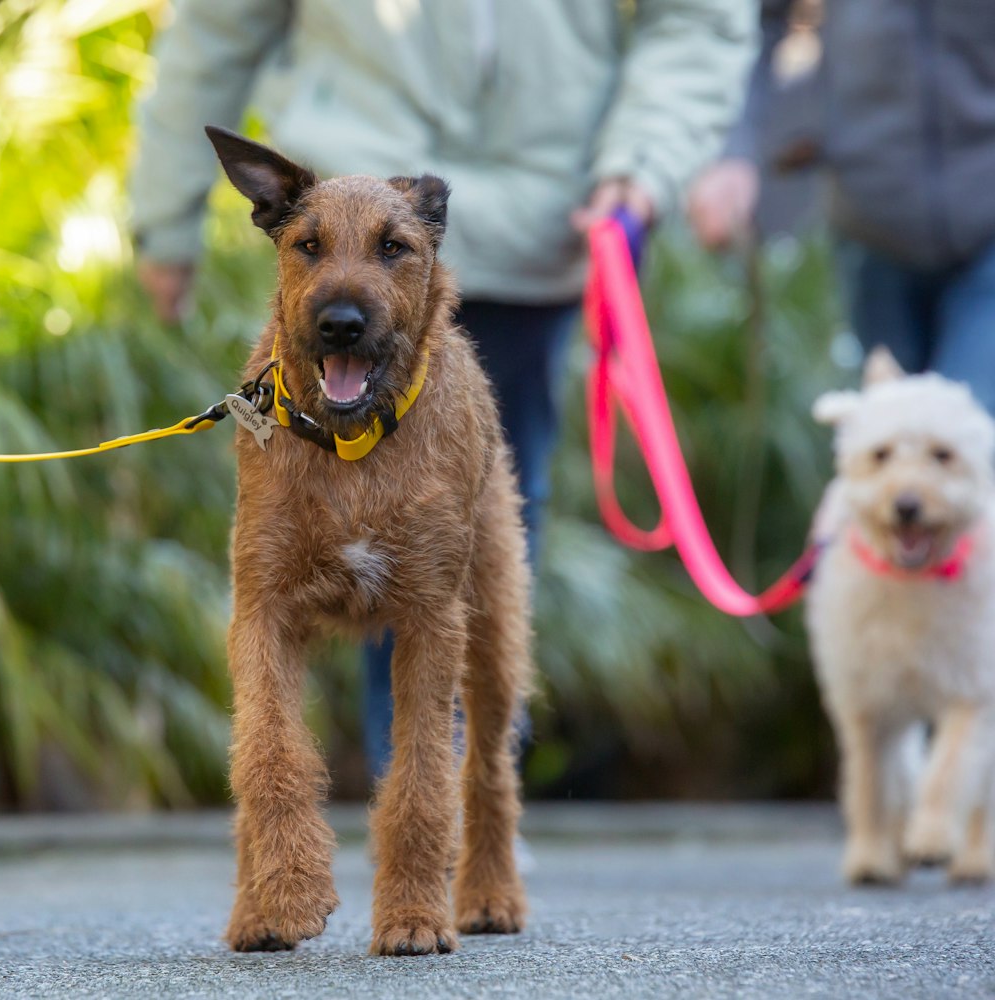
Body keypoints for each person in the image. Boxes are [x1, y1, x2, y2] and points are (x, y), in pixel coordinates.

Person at [132, 1, 755, 780]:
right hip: (346, 185)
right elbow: (219, 23)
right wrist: (165, 210)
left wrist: (644, 163)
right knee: (345, 512)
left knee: (465, 553)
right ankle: (419, 814)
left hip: (546, 220)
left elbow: (696, 18)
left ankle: (457, 799)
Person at [687, 0, 995, 412]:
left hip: (986, 219)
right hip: (870, 221)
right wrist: (734, 151)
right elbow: (758, 23)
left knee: (963, 425)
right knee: (887, 430)